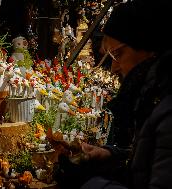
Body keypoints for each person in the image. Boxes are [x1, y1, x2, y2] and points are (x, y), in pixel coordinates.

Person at [52, 1, 172, 189]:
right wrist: (110, 155)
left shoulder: (165, 107)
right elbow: (148, 161)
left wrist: (88, 184)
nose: (114, 67)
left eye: (117, 54)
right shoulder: (150, 96)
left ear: (146, 47)